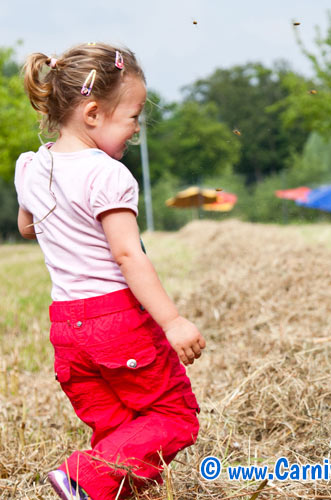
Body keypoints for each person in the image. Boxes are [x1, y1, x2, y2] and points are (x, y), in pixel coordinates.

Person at [15, 43, 206, 500]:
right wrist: (173, 321)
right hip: (116, 323)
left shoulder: (31, 166)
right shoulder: (107, 175)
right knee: (172, 417)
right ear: (94, 113)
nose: (137, 130)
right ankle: (81, 477)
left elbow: (26, 227)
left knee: (121, 429)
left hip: (67, 330)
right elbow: (128, 255)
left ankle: (99, 491)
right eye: (134, 117)